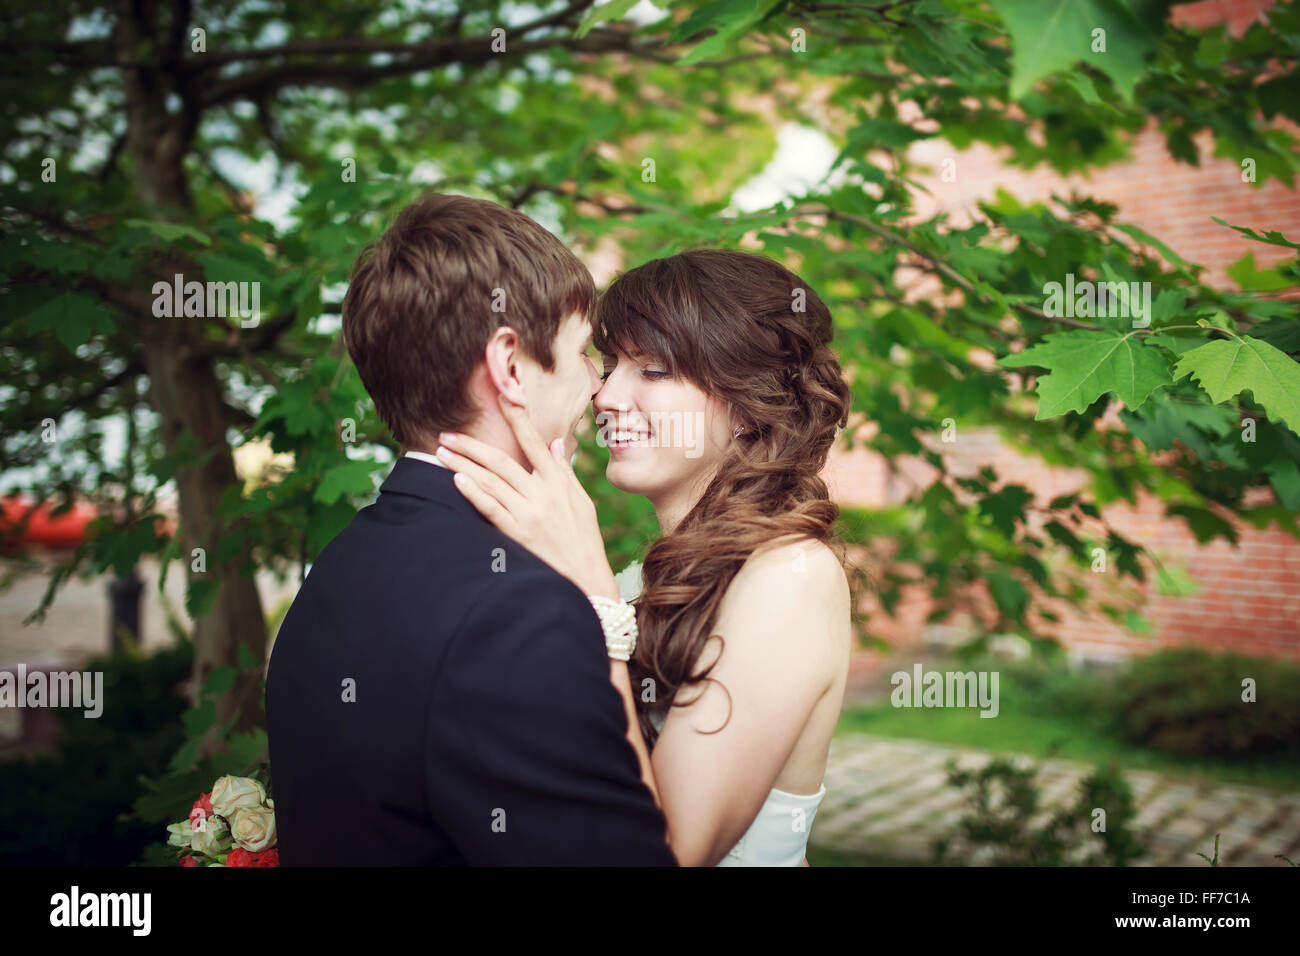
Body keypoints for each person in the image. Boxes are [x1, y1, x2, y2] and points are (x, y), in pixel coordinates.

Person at [265, 193, 676, 866]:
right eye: (583, 356)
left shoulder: (337, 567)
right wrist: (599, 609)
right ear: (510, 366)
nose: (601, 392)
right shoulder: (519, 612)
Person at [438, 249, 854, 866]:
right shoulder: (647, 577)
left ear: (747, 403)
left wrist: (590, 585)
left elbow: (673, 849)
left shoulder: (791, 576)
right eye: (610, 365)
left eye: (653, 370)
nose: (606, 395)